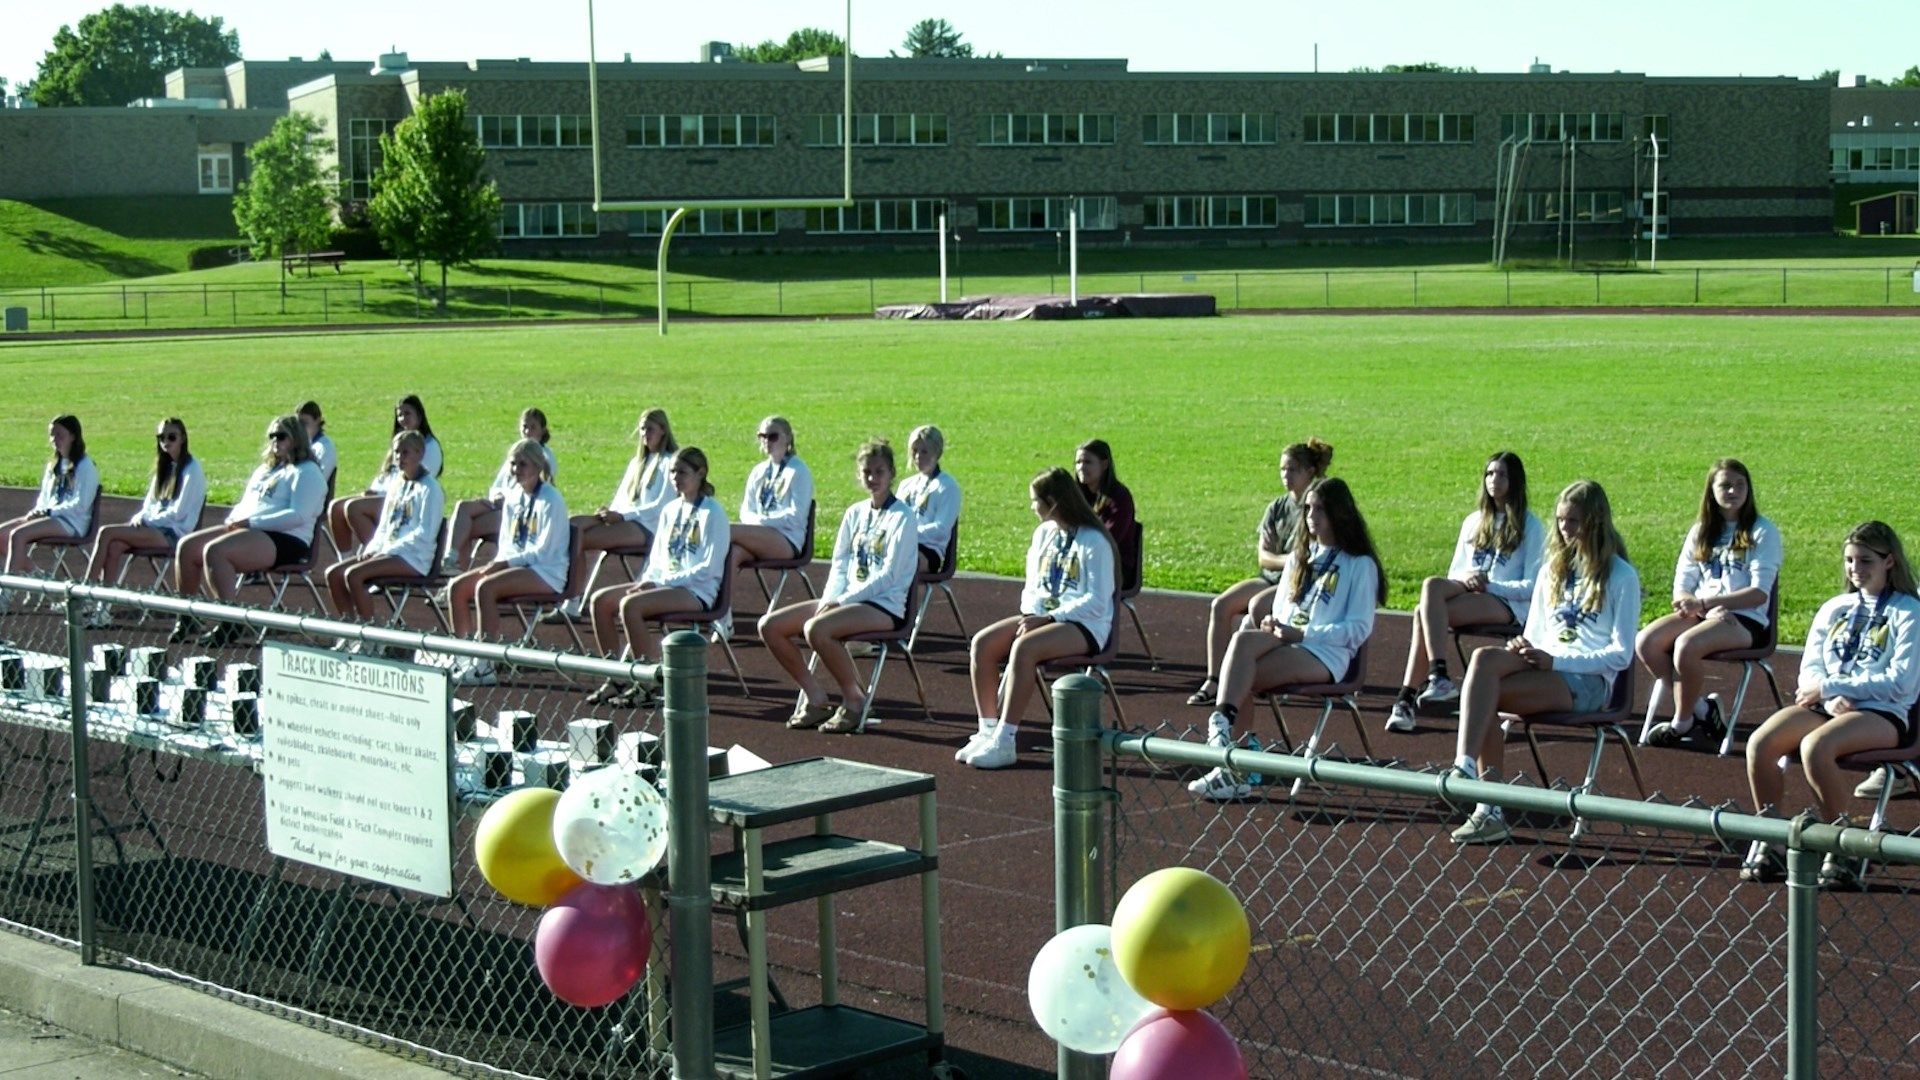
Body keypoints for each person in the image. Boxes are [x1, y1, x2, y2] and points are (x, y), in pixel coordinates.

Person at [1447, 480, 1640, 845]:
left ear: (1596, 522)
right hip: (1545, 666)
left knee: (1489, 695)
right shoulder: (1552, 569)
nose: (1566, 530)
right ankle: (1466, 766)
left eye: (1574, 521)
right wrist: (1521, 645)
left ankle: (1489, 807)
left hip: (1589, 681)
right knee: (1484, 659)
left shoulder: (1621, 575)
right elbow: (1535, 632)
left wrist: (1555, 661)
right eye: (1561, 521)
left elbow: (1621, 654)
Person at [1739, 522, 1919, 887]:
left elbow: (1902, 682)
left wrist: (1833, 686)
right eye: (1850, 560)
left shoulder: (1909, 611)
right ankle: (1770, 837)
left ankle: (1842, 846)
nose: (1855, 569)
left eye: (1866, 560)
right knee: (1761, 743)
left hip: (1883, 711)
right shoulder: (1835, 607)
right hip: (1827, 705)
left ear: (1889, 562)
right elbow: (1811, 669)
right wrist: (1826, 693)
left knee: (1816, 747)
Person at [1189, 477, 1383, 801]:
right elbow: (1285, 609)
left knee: (1239, 674)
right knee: (1242, 642)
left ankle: (1232, 761)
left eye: (1320, 509)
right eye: (1308, 508)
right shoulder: (1299, 557)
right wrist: (1273, 623)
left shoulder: (1359, 564)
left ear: (1339, 513)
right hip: (1289, 640)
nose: (1311, 516)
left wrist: (1304, 633)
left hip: (1326, 653)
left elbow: (1359, 629)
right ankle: (1222, 730)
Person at [760, 440, 921, 733]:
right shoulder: (854, 513)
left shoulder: (903, 517)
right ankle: (816, 697)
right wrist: (831, 598)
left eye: (879, 471)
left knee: (817, 629)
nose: (873, 478)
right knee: (770, 626)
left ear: (892, 473)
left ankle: (855, 700)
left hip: (884, 604)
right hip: (846, 600)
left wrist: (843, 600)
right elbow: (841, 562)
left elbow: (888, 575)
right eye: (867, 472)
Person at [961, 468, 1117, 771]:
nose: (1032, 507)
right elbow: (1032, 586)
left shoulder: (1094, 540)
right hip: (1041, 618)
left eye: (1036, 501)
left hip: (1086, 624)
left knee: (1025, 649)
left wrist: (1049, 617)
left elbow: (1098, 600)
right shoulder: (1043, 533)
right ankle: (988, 731)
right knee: (983, 643)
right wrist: (1032, 615)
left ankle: (1006, 741)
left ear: (1054, 502)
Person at [1387, 451, 1546, 733]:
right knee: (1430, 588)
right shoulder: (1473, 521)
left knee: (1422, 613)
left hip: (1506, 602)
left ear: (1516, 482)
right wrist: (1468, 579)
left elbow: (1533, 586)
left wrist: (1490, 585)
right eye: (1489, 474)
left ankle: (1407, 698)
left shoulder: (1530, 526)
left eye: (1501, 475)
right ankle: (1438, 677)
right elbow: (1454, 572)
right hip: (1469, 591)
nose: (1493, 480)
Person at [1635, 459, 1782, 749]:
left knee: (1686, 645)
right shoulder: (1700, 531)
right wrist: (1696, 604)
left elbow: (1759, 593)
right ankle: (1702, 710)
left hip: (1744, 619)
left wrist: (1706, 602)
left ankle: (1682, 720)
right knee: (1646, 642)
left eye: (1740, 485)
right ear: (1711, 491)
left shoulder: (1762, 531)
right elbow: (1682, 584)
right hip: (1703, 613)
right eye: (1725, 485)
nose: (1733, 491)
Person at [1188, 438, 1334, 706]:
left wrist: (1292, 565)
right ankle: (1215, 678)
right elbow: (1263, 557)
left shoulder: (1316, 508)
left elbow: (1313, 559)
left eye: (1292, 470)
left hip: (1295, 584)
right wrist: (1288, 560)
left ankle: (1266, 671)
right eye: (1282, 469)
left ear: (1310, 472)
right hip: (1271, 577)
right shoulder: (1276, 507)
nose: (1285, 476)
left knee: (1257, 607)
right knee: (1220, 605)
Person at [584, 448, 729, 706]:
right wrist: (646, 581)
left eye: (682, 472)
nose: (675, 477)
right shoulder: (670, 509)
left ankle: (646, 683)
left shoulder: (713, 513)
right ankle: (615, 677)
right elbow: (657, 559)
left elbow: (709, 568)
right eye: (672, 472)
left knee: (631, 605)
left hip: (697, 591)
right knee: (600, 600)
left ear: (701, 473)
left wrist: (660, 583)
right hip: (665, 585)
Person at [170, 415, 327, 646]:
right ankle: (186, 617)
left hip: (287, 539)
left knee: (216, 551)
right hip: (253, 529)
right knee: (188, 546)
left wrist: (251, 523)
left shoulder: (307, 472)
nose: (275, 440)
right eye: (272, 435)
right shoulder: (266, 470)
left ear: (296, 438)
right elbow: (246, 504)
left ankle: (230, 620)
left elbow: (298, 516)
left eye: (281, 436)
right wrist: (234, 521)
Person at [445, 439, 567, 687]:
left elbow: (543, 550)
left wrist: (505, 564)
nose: (516, 469)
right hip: (516, 565)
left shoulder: (552, 500)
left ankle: (485, 663)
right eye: (513, 464)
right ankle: (462, 655)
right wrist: (501, 563)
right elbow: (507, 545)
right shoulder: (512, 498)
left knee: (486, 587)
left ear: (537, 465)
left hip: (546, 570)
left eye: (523, 464)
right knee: (457, 587)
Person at [79, 417, 207, 627]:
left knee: (106, 533)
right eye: (161, 437)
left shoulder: (192, 470)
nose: (166, 441)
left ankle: (86, 594)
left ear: (183, 438)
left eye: (171, 437)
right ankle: (103, 609)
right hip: (154, 528)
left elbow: (178, 513)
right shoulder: (163, 468)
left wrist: (148, 520)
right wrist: (140, 517)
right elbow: (149, 504)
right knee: (115, 546)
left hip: (174, 534)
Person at [564, 407, 678, 618]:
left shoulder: (670, 462)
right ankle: (568, 594)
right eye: (642, 429)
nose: (645, 434)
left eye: (650, 429)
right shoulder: (637, 463)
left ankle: (571, 602)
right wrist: (608, 513)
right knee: (574, 526)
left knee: (582, 540)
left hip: (647, 526)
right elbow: (621, 499)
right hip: (625, 520)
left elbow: (660, 507)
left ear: (663, 430)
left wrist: (623, 516)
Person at [323, 430, 445, 627]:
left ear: (420, 454)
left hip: (414, 557)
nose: (399, 458)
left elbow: (425, 533)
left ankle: (370, 633)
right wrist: (373, 548)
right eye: (396, 452)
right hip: (389, 552)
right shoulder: (397, 485)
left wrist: (386, 551)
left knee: (354, 575)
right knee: (333, 574)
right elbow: (385, 526)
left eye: (405, 453)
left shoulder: (430, 489)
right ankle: (349, 628)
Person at [0, 415, 100, 613]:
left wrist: (48, 511)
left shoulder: (85, 466)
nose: (54, 439)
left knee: (18, 535)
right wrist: (36, 512)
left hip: (71, 521)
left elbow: (80, 505)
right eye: (52, 435)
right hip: (50, 516)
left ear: (72, 436)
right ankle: (38, 579)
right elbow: (44, 498)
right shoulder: (53, 465)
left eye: (59, 434)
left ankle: (6, 594)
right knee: (1, 534)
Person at [445, 408, 557, 572]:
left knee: (466, 528)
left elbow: (536, 487)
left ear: (542, 431)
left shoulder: (544, 456)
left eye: (533, 427)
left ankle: (456, 576)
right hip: (499, 503)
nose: (527, 431)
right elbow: (498, 484)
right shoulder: (516, 452)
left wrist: (507, 499)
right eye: (524, 426)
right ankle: (450, 559)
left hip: (517, 511)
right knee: (464, 507)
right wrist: (497, 495)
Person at [328, 394, 443, 555]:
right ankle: (346, 558)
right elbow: (385, 475)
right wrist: (372, 491)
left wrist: (380, 493)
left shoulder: (429, 446)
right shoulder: (397, 445)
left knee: (353, 508)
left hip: (404, 501)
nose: (403, 419)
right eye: (399, 415)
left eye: (407, 414)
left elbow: (416, 479)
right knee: (335, 506)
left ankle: (380, 554)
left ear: (419, 415)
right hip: (382, 495)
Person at [730, 415, 814, 607]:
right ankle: (723, 616)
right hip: (759, 535)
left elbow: (796, 516)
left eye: (773, 436)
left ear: (788, 438)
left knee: (726, 530)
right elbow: (746, 510)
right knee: (733, 553)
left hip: (787, 539)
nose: (766, 441)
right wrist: (757, 524)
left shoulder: (799, 471)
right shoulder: (758, 471)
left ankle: (701, 599)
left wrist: (762, 523)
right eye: (762, 436)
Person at [897, 424, 961, 574]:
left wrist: (909, 533)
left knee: (901, 563)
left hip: (928, 550)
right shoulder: (905, 485)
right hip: (900, 544)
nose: (918, 456)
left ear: (937, 453)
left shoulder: (947, 486)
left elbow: (941, 528)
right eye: (915, 451)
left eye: (924, 451)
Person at [1075, 438, 1138, 589]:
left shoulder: (1119, 497)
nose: (1081, 467)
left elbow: (1109, 540)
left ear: (1104, 464)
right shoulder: (1077, 495)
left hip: (1114, 566)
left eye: (1087, 462)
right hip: (1081, 561)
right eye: (1078, 462)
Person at [298, 401, 338, 490]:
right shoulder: (303, 444)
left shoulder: (325, 448)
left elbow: (317, 481)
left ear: (318, 420)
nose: (301, 428)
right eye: (299, 424)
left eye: (305, 423)